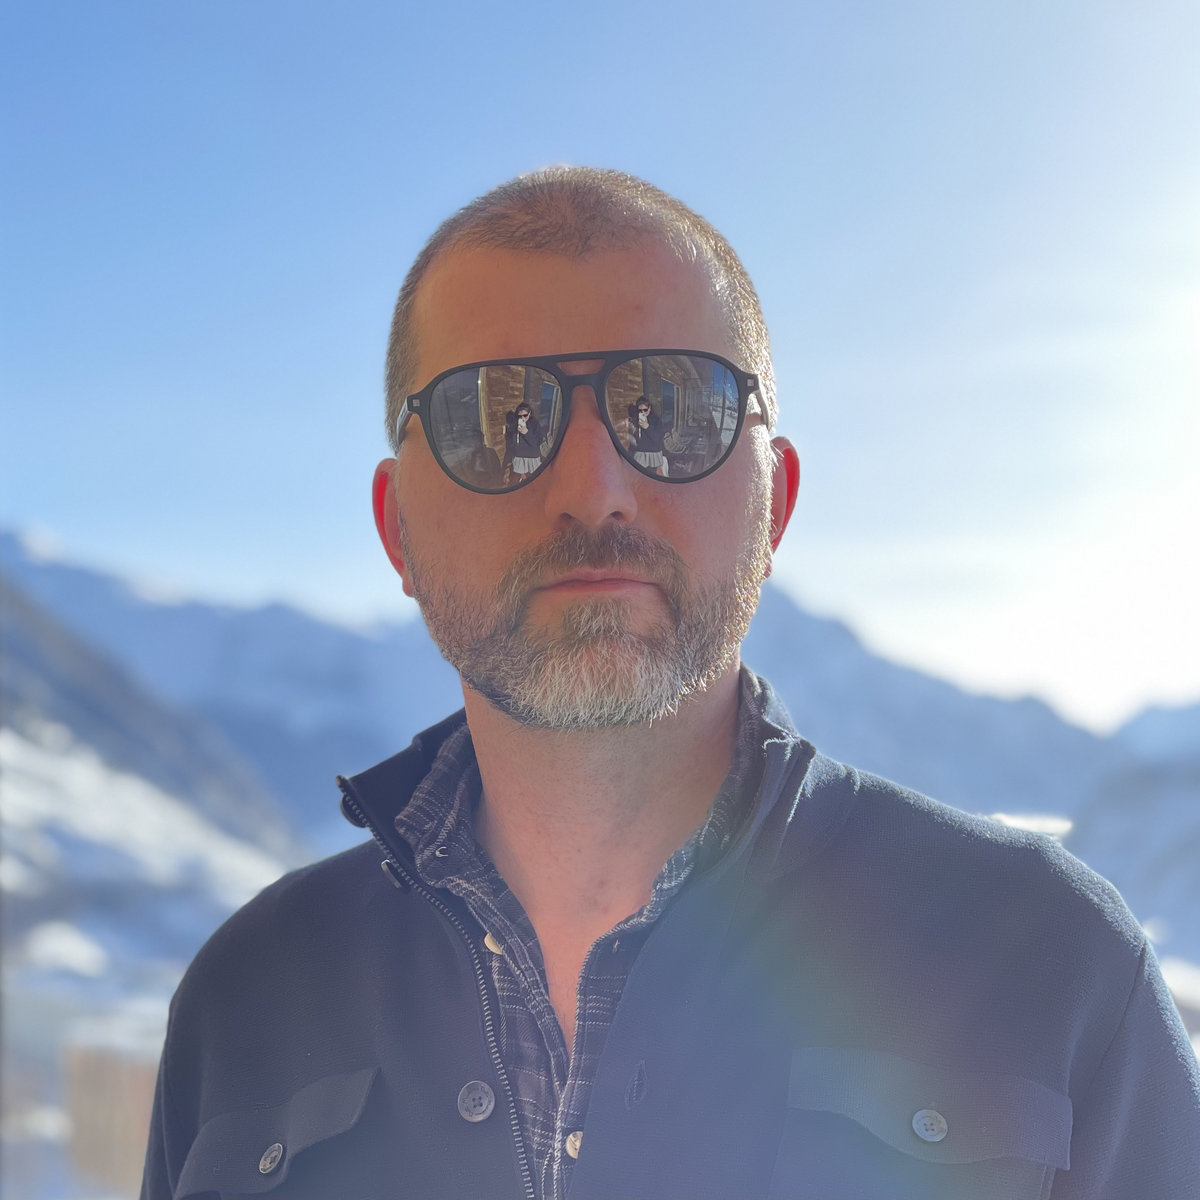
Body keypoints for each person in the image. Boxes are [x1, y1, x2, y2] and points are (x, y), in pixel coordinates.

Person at [141, 168, 1200, 1200]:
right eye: (496, 420)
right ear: (397, 528)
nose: (593, 489)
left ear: (774, 505)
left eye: (674, 411)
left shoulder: (1053, 968)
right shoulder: (245, 1005)